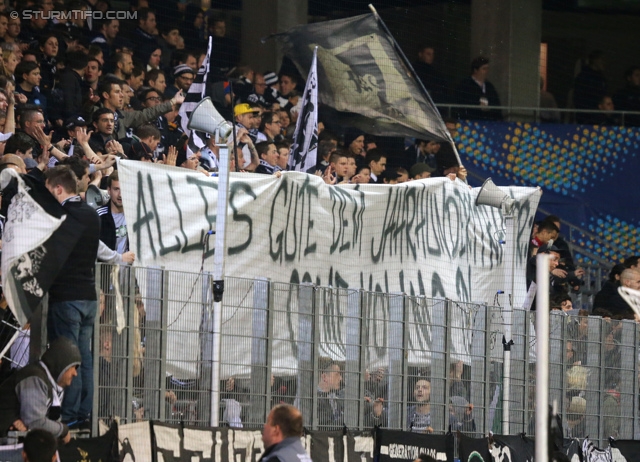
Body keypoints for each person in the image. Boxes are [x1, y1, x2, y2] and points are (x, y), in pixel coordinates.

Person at [44, 166, 100, 427]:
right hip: (88, 296)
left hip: (66, 297)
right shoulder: (92, 215)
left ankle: (68, 416)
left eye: (48, 191)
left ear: (58, 188)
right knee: (85, 358)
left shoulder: (60, 215)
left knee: (67, 358)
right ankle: (84, 412)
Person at [0, 336, 81, 441]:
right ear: (61, 365)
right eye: (73, 368)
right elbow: (35, 422)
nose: (75, 373)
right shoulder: (35, 378)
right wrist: (63, 430)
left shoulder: (53, 384)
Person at [454, 56, 502, 121]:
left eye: (487, 69)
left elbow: (497, 105)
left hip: (488, 122)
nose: (486, 71)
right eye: (484, 69)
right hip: (471, 122)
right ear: (475, 70)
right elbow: (461, 105)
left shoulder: (489, 86)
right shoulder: (465, 85)